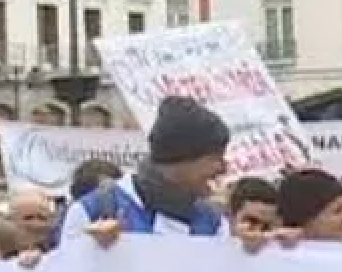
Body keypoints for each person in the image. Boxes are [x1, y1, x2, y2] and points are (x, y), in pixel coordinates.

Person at [61, 97, 230, 243]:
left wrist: (248, 251)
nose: (223, 169)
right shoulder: (92, 211)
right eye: (215, 158)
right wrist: (94, 250)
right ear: (183, 158)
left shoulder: (213, 222)